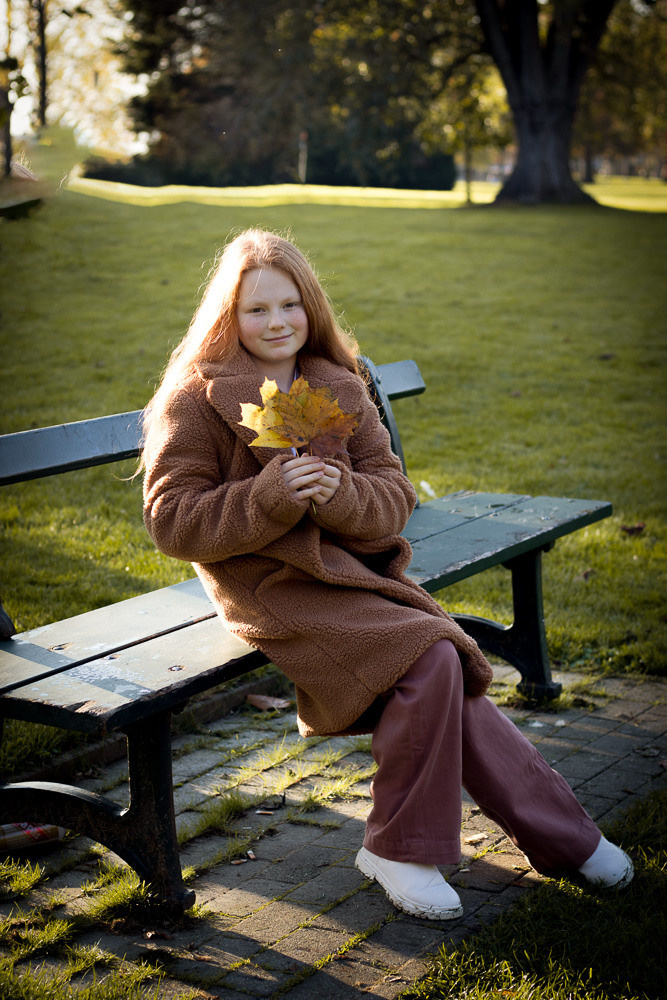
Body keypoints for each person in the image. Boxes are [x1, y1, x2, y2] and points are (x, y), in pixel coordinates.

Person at [142, 229, 633, 920]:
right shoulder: (193, 399)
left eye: (290, 304)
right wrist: (271, 496)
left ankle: (426, 845)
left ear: (310, 306)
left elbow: (392, 497)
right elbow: (171, 520)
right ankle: (464, 843)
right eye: (257, 310)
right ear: (228, 317)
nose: (277, 322)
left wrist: (334, 495)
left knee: (435, 663)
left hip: (355, 572)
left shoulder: (339, 384)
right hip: (265, 582)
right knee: (433, 654)